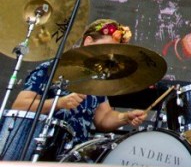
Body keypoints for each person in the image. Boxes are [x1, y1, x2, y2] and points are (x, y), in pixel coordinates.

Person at [11, 18, 148, 150]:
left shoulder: (98, 78)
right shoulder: (52, 69)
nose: (110, 55)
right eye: (107, 47)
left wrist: (125, 117)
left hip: (73, 155)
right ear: (88, 41)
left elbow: (103, 118)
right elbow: (20, 105)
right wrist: (59, 103)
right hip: (39, 145)